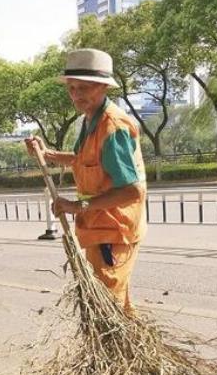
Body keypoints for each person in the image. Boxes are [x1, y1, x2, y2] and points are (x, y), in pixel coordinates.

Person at [25, 49, 147, 313]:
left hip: (113, 234)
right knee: (116, 307)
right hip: (97, 229)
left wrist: (77, 206)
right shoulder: (91, 119)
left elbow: (132, 192)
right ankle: (129, 354)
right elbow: (86, 160)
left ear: (103, 87)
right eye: (71, 88)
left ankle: (114, 354)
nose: (76, 95)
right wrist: (48, 154)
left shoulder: (112, 128)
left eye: (84, 88)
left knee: (106, 310)